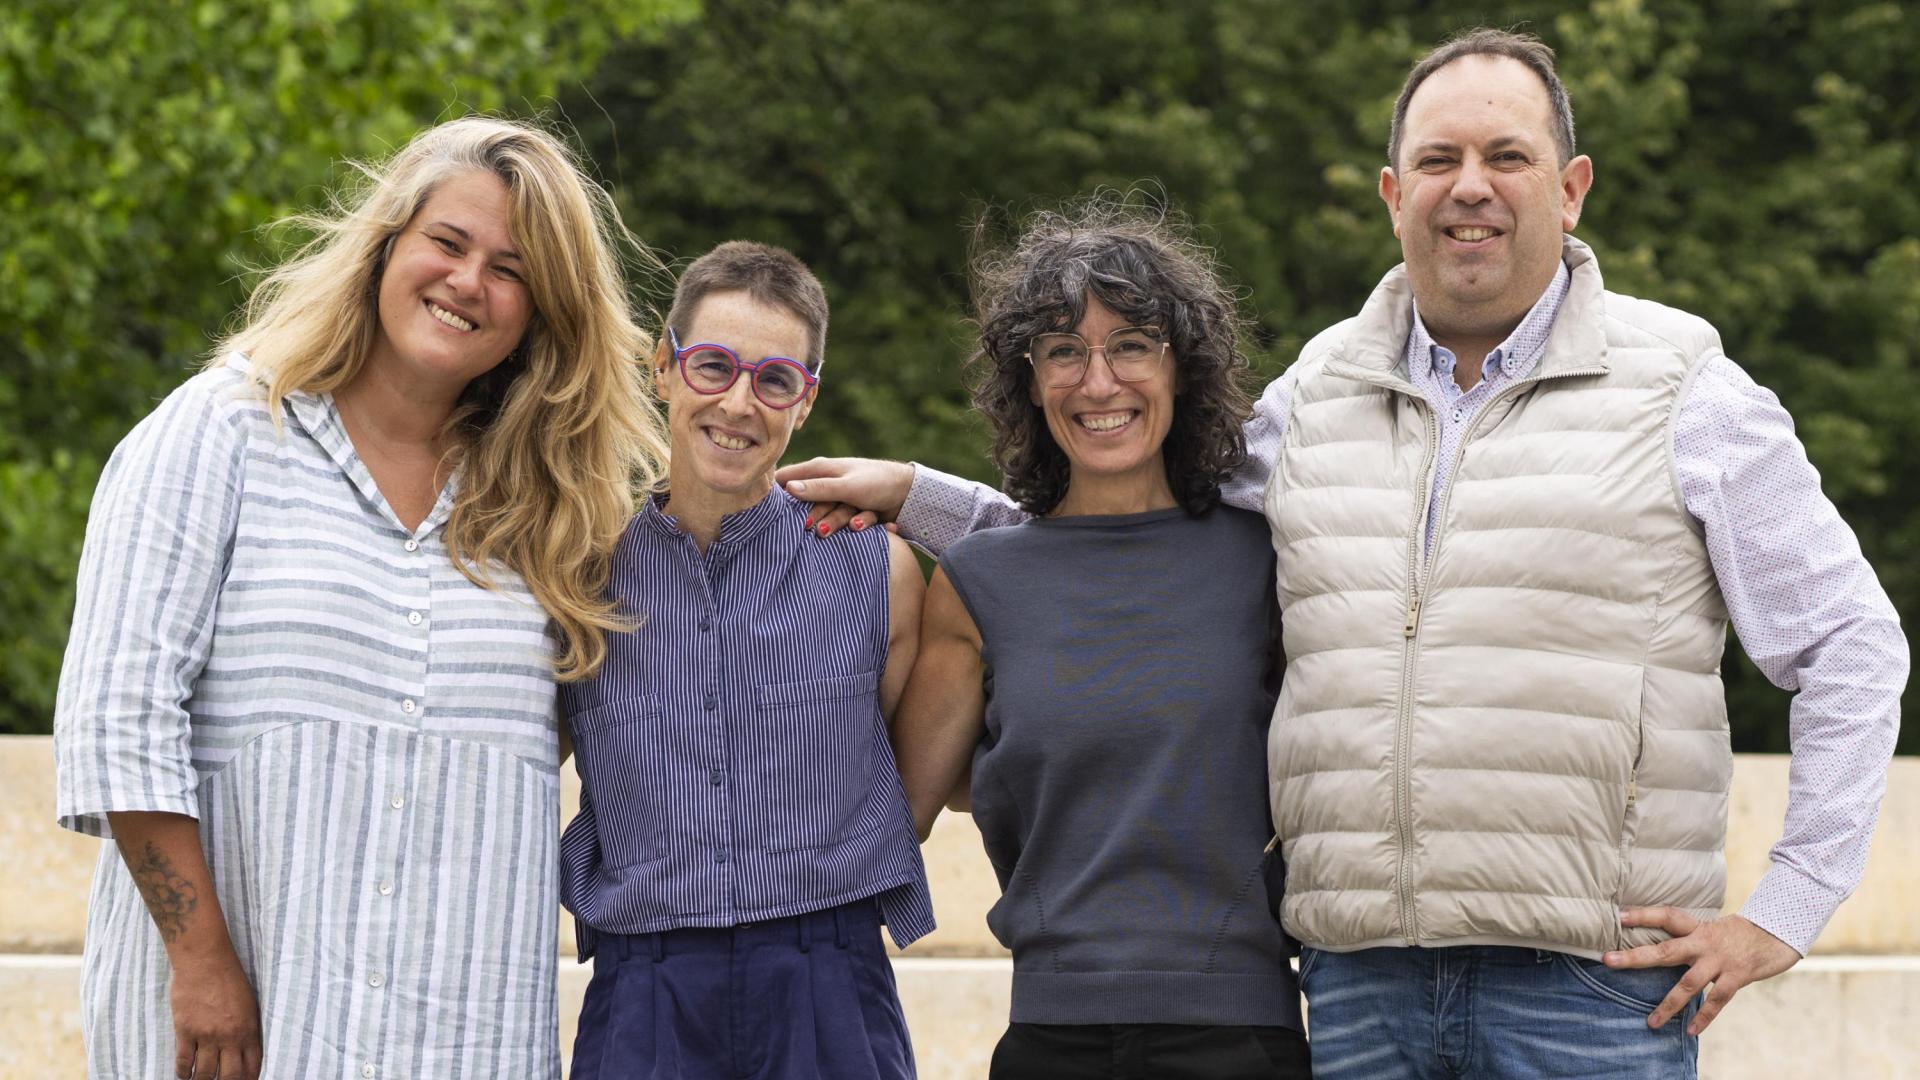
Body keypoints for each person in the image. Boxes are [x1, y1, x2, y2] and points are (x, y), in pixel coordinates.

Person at [776, 28, 1906, 1080]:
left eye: (1507, 156)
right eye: (1438, 158)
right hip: (1359, 990)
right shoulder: (1317, 396)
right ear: (1392, 193)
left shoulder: (1687, 393)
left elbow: (1852, 645)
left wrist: (1786, 909)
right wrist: (929, 501)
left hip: (1591, 994)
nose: (1470, 186)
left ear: (1570, 189)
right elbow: (1124, 541)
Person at [53, 116, 668, 1080]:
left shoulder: (551, 515)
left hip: (464, 1037)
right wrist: (203, 966)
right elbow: (119, 721)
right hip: (237, 1029)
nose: (469, 283)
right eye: (448, 243)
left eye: (510, 270)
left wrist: (903, 507)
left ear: (542, 312)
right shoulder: (221, 432)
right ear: (386, 245)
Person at [886, 204, 1308, 1080]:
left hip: (1242, 1041)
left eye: (1131, 345)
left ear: (1181, 368)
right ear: (1030, 380)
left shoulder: (1269, 563)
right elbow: (890, 819)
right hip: (1052, 1040)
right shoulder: (975, 584)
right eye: (1064, 351)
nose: (1098, 380)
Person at [558, 241, 932, 1080]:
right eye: (713, 366)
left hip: (829, 981)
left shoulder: (881, 571)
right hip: (643, 992)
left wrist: (917, 488)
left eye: (773, 380)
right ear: (663, 367)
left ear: (805, 401)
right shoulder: (577, 576)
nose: (738, 402)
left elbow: (923, 772)